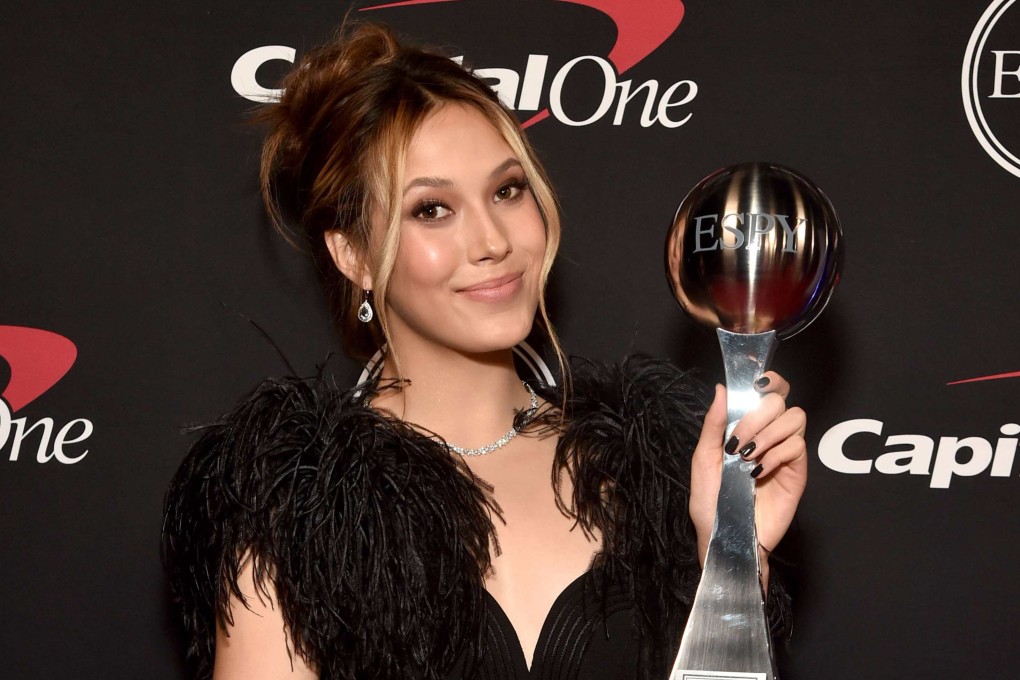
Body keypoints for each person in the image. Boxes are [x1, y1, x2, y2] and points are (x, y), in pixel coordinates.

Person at [163, 21, 807, 680]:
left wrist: (730, 558)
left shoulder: (658, 479)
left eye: (506, 190)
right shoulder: (299, 519)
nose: (493, 240)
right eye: (432, 210)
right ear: (351, 253)